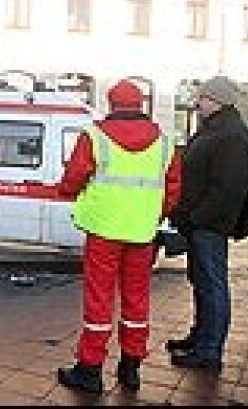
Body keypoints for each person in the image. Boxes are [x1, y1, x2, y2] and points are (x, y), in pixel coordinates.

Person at [56, 79, 182, 393]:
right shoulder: (165, 142)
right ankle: (131, 367)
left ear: (111, 104)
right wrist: (154, 214)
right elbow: (173, 190)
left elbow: (74, 177)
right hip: (142, 233)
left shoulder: (94, 136)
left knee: (99, 300)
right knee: (137, 299)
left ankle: (91, 370)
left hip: (103, 231)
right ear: (142, 105)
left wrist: (69, 192)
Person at [167, 75, 248, 374]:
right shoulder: (215, 130)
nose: (197, 102)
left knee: (212, 285)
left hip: (209, 226)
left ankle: (209, 350)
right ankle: (200, 338)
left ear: (217, 100)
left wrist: (196, 218)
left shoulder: (232, 135)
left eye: (202, 97)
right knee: (201, 282)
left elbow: (227, 189)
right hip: (199, 224)